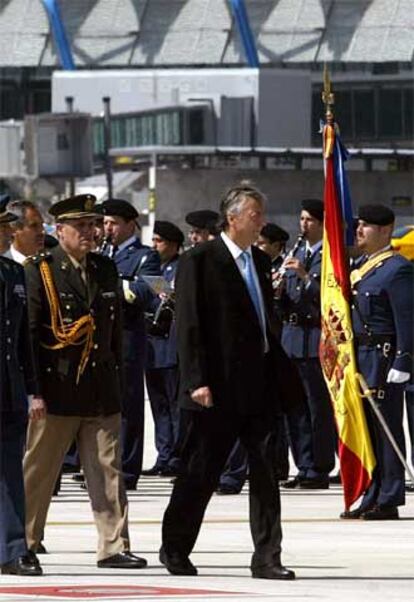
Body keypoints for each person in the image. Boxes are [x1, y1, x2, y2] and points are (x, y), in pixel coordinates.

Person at [160, 182, 304, 580]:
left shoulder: (258, 260)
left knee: (265, 474)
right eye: (255, 214)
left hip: (259, 385)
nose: (261, 222)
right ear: (233, 217)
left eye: (262, 214)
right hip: (215, 388)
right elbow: (188, 325)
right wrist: (196, 381)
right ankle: (175, 546)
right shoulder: (200, 261)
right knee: (199, 472)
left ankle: (267, 556)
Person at [23, 193, 147, 569]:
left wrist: (119, 386)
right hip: (56, 389)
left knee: (108, 471)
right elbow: (30, 335)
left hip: (100, 390)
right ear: (59, 230)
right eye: (80, 226)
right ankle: (23, 541)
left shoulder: (105, 269)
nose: (90, 233)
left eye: (93, 225)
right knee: (39, 472)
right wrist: (34, 392)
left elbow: (114, 335)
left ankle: (113, 545)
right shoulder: (40, 270)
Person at [341, 204, 413, 520]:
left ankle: (389, 495)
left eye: (366, 226)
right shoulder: (360, 265)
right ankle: (372, 490)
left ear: (385, 230)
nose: (358, 230)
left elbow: (407, 320)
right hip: (360, 356)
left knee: (385, 427)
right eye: (358, 225)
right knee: (366, 428)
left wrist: (404, 360)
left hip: (383, 358)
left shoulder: (397, 268)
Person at [101, 199, 160, 490]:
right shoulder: (101, 253)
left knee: (129, 406)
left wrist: (117, 286)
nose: (107, 229)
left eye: (112, 223)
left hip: (128, 339)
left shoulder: (146, 256)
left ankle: (127, 469)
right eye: (105, 223)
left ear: (129, 225)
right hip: (101, 339)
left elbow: (154, 292)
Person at [278, 199, 336, 490]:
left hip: (313, 338)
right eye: (301, 219)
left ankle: (319, 467)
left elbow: (329, 295)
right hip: (291, 340)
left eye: (310, 220)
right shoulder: (298, 250)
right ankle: (302, 464)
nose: (304, 225)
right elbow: (289, 295)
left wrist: (303, 276)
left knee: (318, 408)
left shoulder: (328, 254)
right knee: (295, 407)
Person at [0, 216, 43, 576]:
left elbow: (22, 340)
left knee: (11, 471)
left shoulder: (13, 273)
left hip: (8, 390)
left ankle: (13, 550)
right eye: (2, 228)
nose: (10, 234)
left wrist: (32, 389)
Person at [143, 220, 183, 476]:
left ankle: (177, 456)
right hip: (152, 345)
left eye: (159, 241)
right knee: (158, 406)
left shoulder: (181, 267)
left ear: (172, 244)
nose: (154, 245)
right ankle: (164, 454)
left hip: (171, 343)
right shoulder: (154, 268)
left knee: (174, 404)